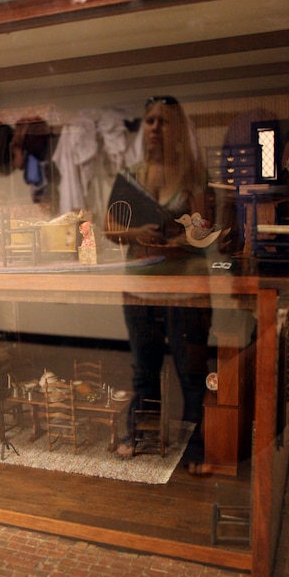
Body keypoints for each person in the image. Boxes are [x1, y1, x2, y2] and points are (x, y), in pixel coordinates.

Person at [109, 96, 211, 470]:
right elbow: (111, 228)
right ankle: (140, 434)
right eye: (149, 120)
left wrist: (176, 240)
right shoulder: (131, 175)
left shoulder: (195, 174)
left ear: (178, 129)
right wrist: (138, 231)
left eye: (163, 121)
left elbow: (207, 229)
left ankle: (198, 447)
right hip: (140, 289)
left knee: (191, 372)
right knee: (143, 369)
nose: (154, 128)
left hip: (187, 290)